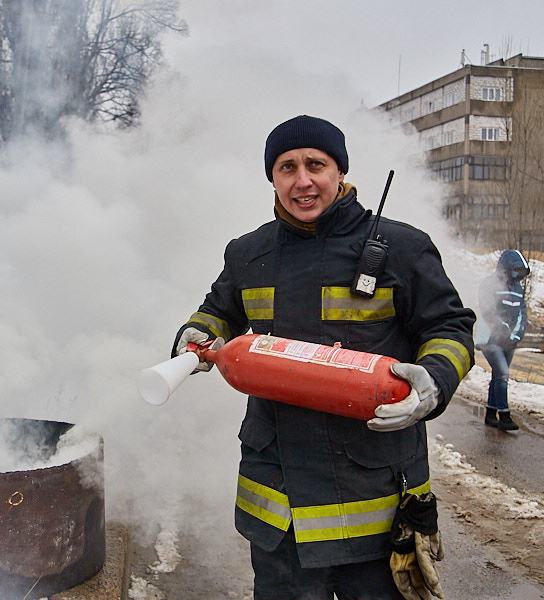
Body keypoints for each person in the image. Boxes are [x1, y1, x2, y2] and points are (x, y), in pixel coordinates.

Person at [171, 115, 475, 600]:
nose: (302, 180)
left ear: (340, 171)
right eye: (287, 167)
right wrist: (196, 333)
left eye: (316, 164)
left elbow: (449, 326)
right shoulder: (248, 254)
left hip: (376, 513)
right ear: (272, 177)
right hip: (280, 518)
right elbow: (216, 313)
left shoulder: (401, 248)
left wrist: (434, 379)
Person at [476, 249, 530, 431]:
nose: (518, 274)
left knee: (498, 376)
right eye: (516, 269)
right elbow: (488, 310)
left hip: (509, 341)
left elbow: (522, 313)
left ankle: (491, 414)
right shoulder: (490, 284)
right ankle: (504, 415)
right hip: (491, 339)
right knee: (503, 374)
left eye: (521, 271)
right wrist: (503, 330)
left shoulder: (517, 288)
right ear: (507, 267)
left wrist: (515, 335)